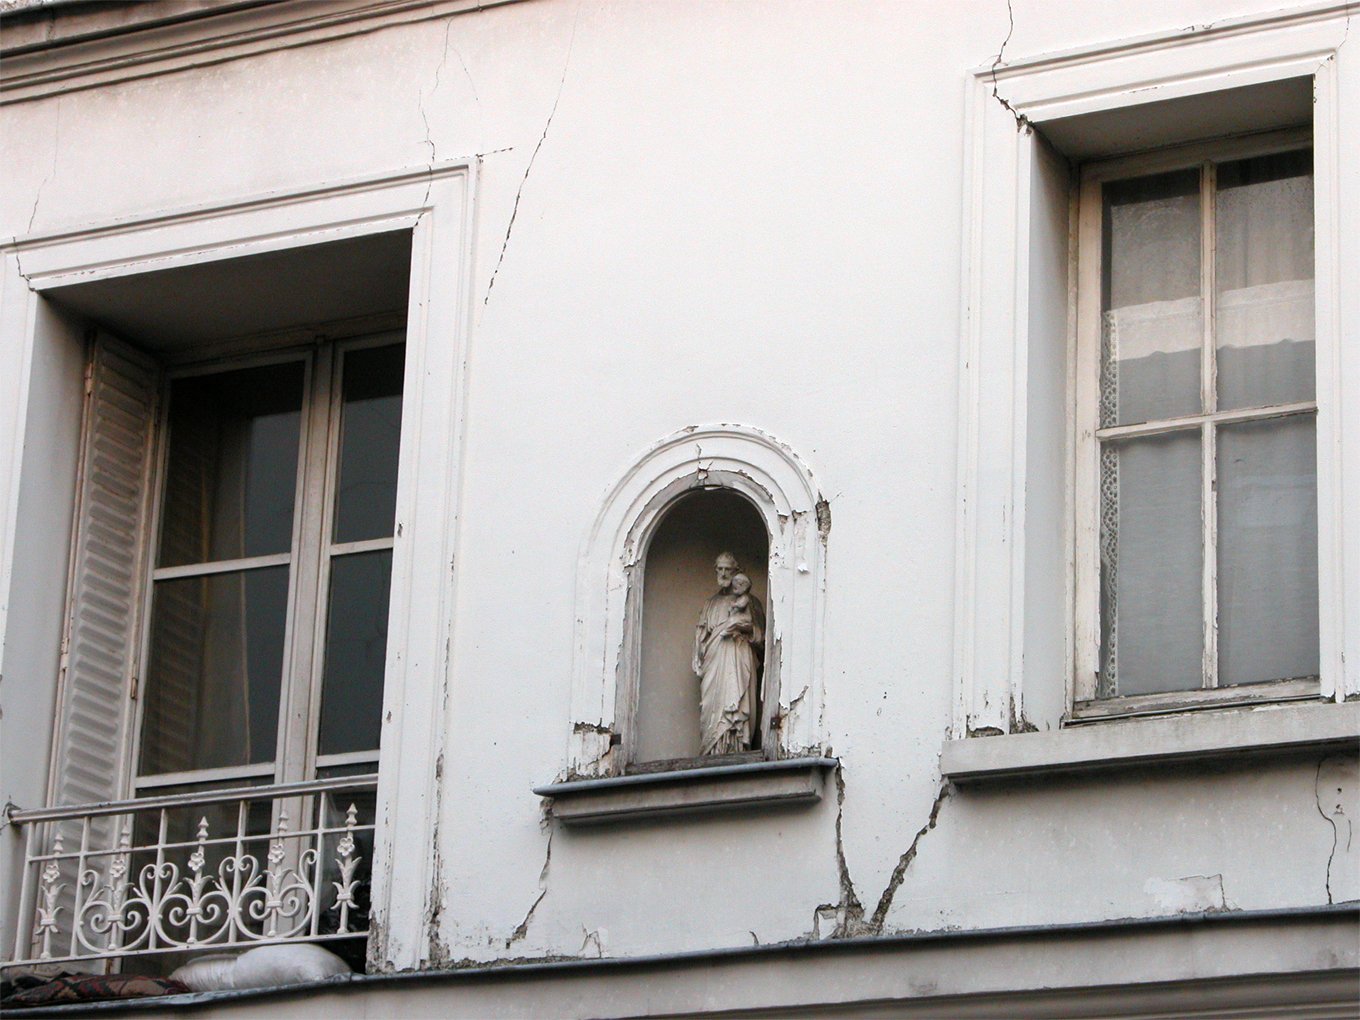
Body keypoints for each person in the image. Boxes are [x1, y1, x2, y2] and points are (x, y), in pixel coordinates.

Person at [692, 553, 764, 755]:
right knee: (711, 704)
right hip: (714, 660)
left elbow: (761, 636)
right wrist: (698, 655)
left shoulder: (750, 603)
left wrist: (744, 629)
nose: (723, 573)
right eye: (720, 569)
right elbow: (702, 635)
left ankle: (736, 746)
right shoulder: (710, 604)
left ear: (736, 572)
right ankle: (712, 749)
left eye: (727, 569)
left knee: (736, 704)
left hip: (738, 656)